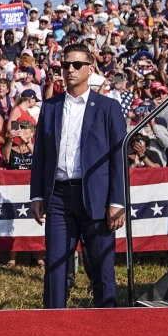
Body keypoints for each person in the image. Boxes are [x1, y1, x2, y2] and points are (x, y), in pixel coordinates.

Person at [30, 44, 126, 309]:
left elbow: (118, 158)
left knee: (102, 266)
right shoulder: (50, 107)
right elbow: (41, 155)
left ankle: (108, 322)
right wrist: (37, 195)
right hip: (59, 197)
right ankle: (54, 323)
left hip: (96, 197)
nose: (69, 70)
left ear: (90, 68)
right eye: (65, 65)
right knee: (56, 265)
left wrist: (117, 201)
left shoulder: (108, 107)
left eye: (76, 65)